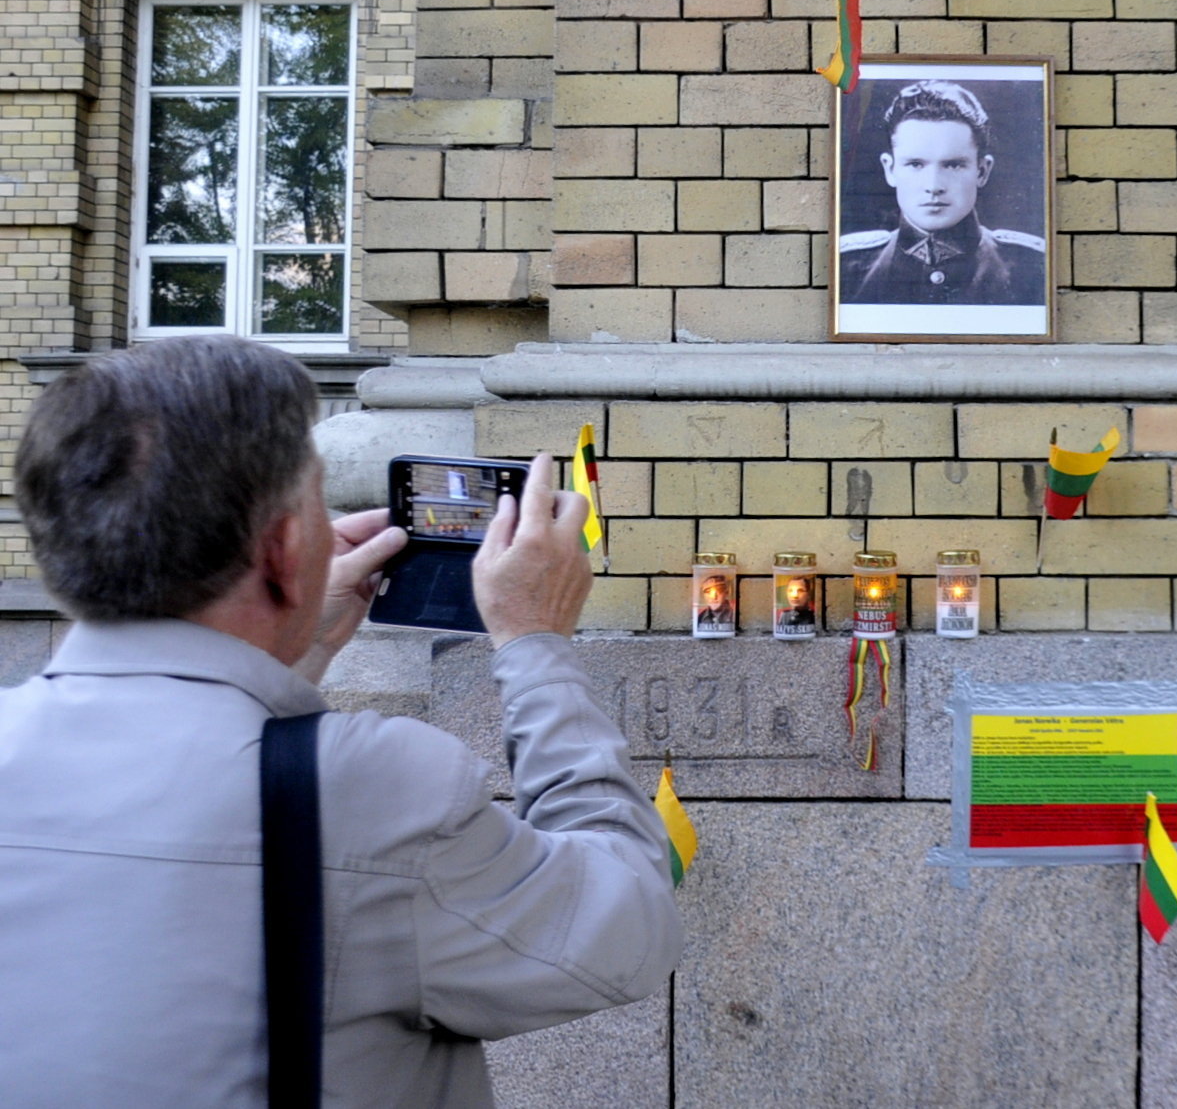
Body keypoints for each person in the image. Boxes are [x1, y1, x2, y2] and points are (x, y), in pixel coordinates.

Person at [0, 336, 682, 1108]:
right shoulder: (372, 787)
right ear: (287, 549)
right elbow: (623, 927)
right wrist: (535, 643)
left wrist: (288, 652)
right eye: (317, 504)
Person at [839, 79, 1046, 306]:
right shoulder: (848, 266)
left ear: (982, 171)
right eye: (916, 164)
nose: (934, 185)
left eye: (953, 165)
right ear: (890, 169)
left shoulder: (1033, 266)